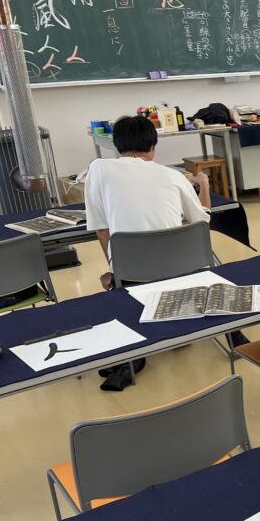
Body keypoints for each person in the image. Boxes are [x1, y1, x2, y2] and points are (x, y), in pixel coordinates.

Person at [85, 114, 212, 390]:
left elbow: (101, 229)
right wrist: (204, 185)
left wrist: (114, 268)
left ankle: (134, 349)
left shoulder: (98, 169)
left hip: (131, 275)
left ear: (116, 146)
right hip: (181, 272)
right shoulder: (173, 175)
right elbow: (201, 222)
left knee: (118, 276)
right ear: (153, 147)